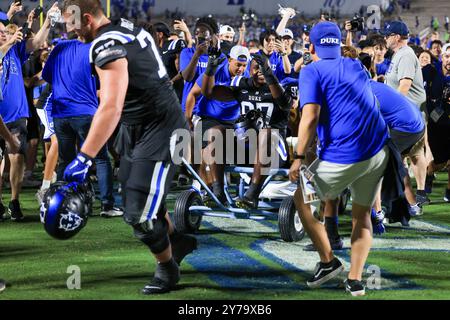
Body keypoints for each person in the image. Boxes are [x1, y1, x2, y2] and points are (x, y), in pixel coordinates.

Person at [61, 0, 196, 294]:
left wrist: (84, 157)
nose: (71, 33)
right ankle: (178, 241)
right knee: (139, 192)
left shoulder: (105, 43)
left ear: (86, 19)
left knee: (138, 212)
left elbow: (111, 107)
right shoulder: (124, 27)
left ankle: (167, 268)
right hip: (139, 125)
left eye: (71, 26)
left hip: (159, 127)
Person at [289, 22, 389, 296]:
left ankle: (328, 261)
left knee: (301, 198)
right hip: (378, 150)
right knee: (361, 214)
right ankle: (355, 281)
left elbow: (309, 117)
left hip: (346, 155)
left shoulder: (311, 70)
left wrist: (298, 157)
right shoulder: (355, 65)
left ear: (311, 47)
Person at [42, 38, 123, 218]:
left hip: (60, 113)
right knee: (101, 158)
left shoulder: (60, 47)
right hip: (86, 112)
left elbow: (47, 75)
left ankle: (65, 205)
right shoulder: (93, 47)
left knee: (66, 160)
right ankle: (106, 204)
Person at [201, 52, 294, 208]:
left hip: (274, 151)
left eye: (263, 68)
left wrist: (269, 73)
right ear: (250, 70)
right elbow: (209, 92)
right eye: (256, 68)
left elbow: (285, 104)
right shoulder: (242, 84)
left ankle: (252, 194)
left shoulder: (280, 87)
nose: (259, 71)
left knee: (266, 133)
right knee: (216, 131)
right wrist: (210, 69)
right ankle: (217, 190)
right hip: (246, 148)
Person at [0, 2, 59, 221]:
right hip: (1, 115)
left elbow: (37, 42)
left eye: (5, 31)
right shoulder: (5, 51)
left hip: (16, 115)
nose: (5, 33)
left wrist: (49, 22)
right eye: (1, 32)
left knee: (16, 157)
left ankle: (14, 201)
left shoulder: (15, 51)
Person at [192, 45, 250, 204]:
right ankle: (210, 189)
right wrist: (187, 118)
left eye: (244, 65)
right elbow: (195, 93)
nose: (241, 68)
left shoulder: (247, 74)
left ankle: (220, 188)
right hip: (210, 117)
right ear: (230, 60)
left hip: (233, 121)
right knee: (202, 149)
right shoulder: (216, 70)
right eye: (238, 64)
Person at [385, 21, 429, 214]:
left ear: (396, 37)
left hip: (409, 118)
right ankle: (406, 203)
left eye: (387, 35)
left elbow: (404, 86)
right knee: (397, 158)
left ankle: (409, 201)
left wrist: (389, 109)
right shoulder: (400, 54)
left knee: (393, 157)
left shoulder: (406, 55)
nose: (385, 39)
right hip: (404, 116)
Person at [422, 43, 450, 202]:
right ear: (442, 58)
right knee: (439, 162)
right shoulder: (432, 72)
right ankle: (427, 177)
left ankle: (448, 193)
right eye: (447, 56)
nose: (449, 60)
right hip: (437, 124)